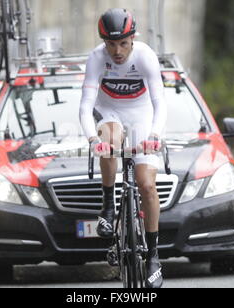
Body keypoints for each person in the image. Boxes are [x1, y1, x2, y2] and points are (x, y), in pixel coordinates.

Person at [79, 8, 167, 288]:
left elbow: (160, 103)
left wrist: (154, 134)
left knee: (147, 185)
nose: (117, 51)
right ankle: (108, 207)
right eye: (111, 44)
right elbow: (84, 105)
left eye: (123, 43)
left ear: (133, 38)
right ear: (103, 43)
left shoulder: (145, 56)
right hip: (110, 112)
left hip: (141, 115)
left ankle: (153, 256)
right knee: (110, 140)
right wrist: (93, 139)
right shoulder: (96, 58)